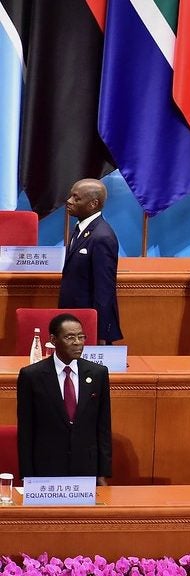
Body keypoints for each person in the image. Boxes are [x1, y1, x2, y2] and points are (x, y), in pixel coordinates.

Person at [17, 313, 112, 483]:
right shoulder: (31, 376)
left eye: (81, 337)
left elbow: (103, 427)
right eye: (70, 337)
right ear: (53, 340)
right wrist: (27, 476)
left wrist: (103, 473)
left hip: (86, 468)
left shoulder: (98, 374)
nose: (77, 342)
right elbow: (26, 431)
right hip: (46, 469)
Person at [59, 179, 122, 344]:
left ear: (93, 204)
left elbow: (104, 289)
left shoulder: (102, 236)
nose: (69, 201)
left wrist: (100, 333)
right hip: (74, 319)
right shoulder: (80, 229)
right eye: (71, 196)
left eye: (76, 198)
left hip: (88, 327)